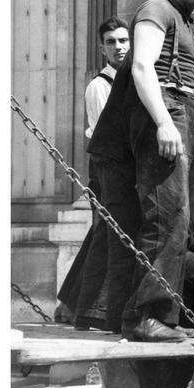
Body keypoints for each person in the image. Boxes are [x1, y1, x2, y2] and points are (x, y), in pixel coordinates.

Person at [80, 0, 194, 340]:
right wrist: (164, 123)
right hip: (166, 111)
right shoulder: (157, 9)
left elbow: (188, 70)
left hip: (186, 109)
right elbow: (141, 66)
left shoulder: (188, 20)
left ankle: (159, 314)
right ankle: (146, 316)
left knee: (181, 219)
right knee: (167, 215)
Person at [57, 16, 131, 326]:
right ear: (102, 48)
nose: (119, 47)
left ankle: (74, 303)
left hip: (123, 166)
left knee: (103, 236)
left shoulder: (129, 79)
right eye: (112, 42)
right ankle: (85, 309)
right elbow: (109, 134)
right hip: (108, 167)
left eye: (123, 40)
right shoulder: (99, 86)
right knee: (106, 236)